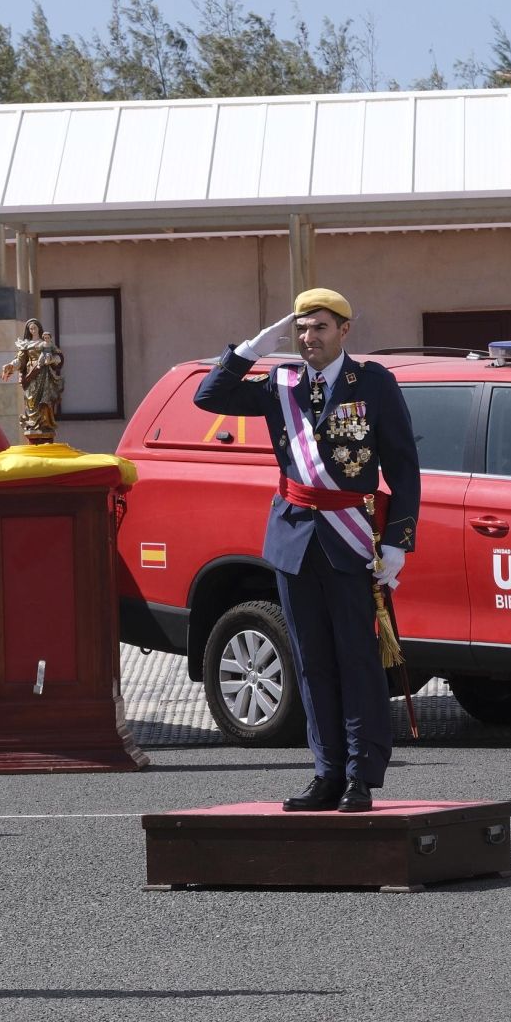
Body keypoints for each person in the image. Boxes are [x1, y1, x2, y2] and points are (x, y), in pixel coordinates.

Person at [194, 289, 420, 812]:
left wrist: (398, 541)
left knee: (357, 660)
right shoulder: (279, 383)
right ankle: (326, 772)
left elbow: (404, 466)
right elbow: (208, 397)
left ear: (344, 329)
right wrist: (250, 349)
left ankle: (361, 775)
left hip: (350, 538)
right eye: (300, 328)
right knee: (310, 661)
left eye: (318, 327)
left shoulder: (374, 384)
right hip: (294, 538)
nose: (307, 337)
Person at [0, 318, 64, 444]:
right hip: (30, 375)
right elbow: (20, 360)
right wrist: (11, 366)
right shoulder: (26, 345)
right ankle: (32, 425)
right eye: (31, 328)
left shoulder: (45, 343)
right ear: (28, 330)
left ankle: (45, 424)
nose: (33, 330)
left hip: (44, 376)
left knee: (44, 401)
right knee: (31, 400)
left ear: (39, 328)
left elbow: (58, 357)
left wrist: (52, 360)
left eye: (35, 328)